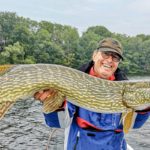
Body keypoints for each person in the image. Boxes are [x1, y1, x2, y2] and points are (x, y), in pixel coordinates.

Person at [34, 38, 149, 150]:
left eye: (115, 57)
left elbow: (134, 124)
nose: (109, 60)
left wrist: (145, 105)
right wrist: (52, 101)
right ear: (94, 55)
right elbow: (58, 123)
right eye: (105, 54)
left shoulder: (125, 88)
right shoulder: (73, 82)